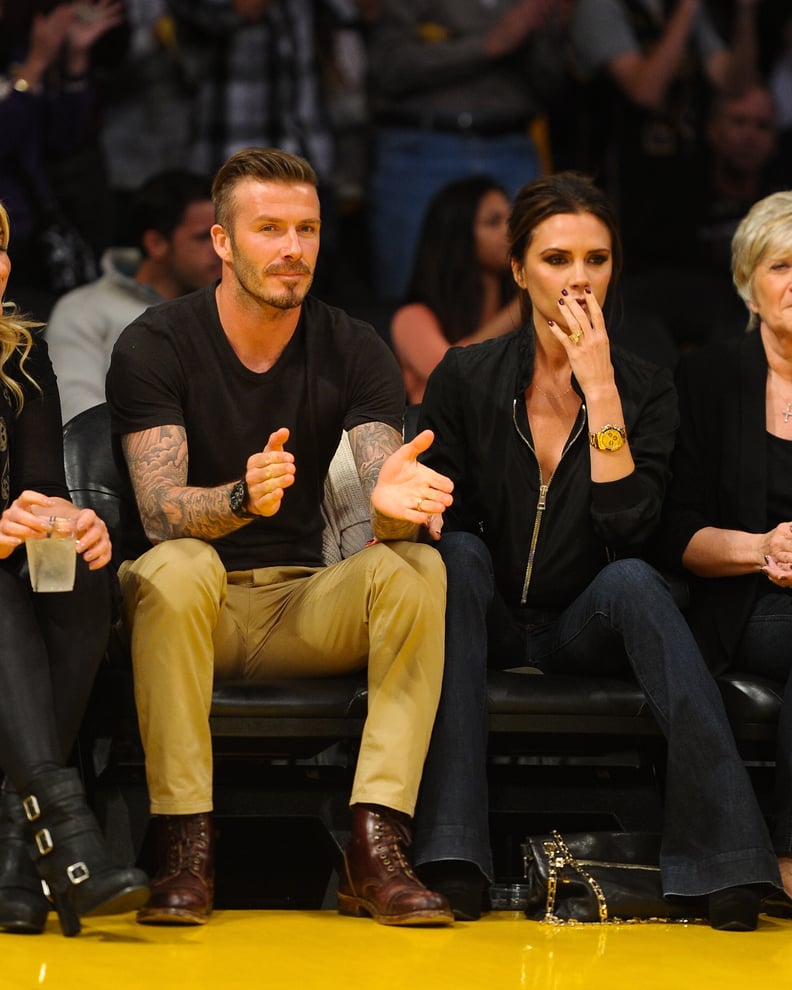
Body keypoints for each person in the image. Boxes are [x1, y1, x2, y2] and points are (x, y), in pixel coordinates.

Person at [412, 171, 782, 928]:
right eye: (556, 259)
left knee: (640, 582)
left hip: (583, 615)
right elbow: (436, 515)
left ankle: (729, 861)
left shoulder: (646, 388)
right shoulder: (466, 375)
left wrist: (602, 390)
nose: (578, 278)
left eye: (597, 259)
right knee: (456, 557)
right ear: (518, 269)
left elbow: (629, 525)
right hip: (482, 611)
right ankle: (452, 853)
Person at [105, 146, 456, 928]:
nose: (293, 249)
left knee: (416, 570)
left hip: (302, 601)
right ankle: (185, 845)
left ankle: (377, 845)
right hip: (190, 609)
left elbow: (378, 488)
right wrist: (240, 497)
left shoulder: (353, 344)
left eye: (308, 229)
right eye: (270, 229)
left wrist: (396, 506)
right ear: (224, 243)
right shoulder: (155, 342)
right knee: (179, 565)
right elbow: (159, 511)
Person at [0, 201, 149, 937]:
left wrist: (71, 519)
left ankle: (18, 869)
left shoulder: (18, 351)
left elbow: (39, 485)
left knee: (82, 568)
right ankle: (65, 849)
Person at [661, 189, 792, 908]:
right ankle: (786, 851)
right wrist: (763, 546)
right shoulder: (710, 377)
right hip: (744, 602)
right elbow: (677, 533)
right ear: (750, 281)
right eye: (781, 266)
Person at [365, 0, 571, 301]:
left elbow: (557, 84)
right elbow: (388, 70)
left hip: (512, 145)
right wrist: (488, 44)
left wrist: (548, 32)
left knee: (538, 295)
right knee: (406, 294)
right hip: (421, 149)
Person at [569, 0, 760, 273]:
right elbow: (645, 91)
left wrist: (745, 12)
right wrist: (687, 10)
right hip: (624, 195)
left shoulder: (680, 7)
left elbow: (735, 84)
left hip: (688, 195)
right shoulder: (601, 7)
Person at [46, 169, 220, 424]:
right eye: (205, 237)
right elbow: (81, 424)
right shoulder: (82, 311)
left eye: (223, 234)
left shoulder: (229, 310)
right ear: (156, 243)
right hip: (123, 460)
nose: (220, 248)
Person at [390, 175, 519, 405]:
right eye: (493, 221)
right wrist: (524, 304)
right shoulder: (410, 318)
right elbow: (450, 374)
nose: (510, 230)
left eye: (511, 218)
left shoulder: (520, 310)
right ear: (458, 236)